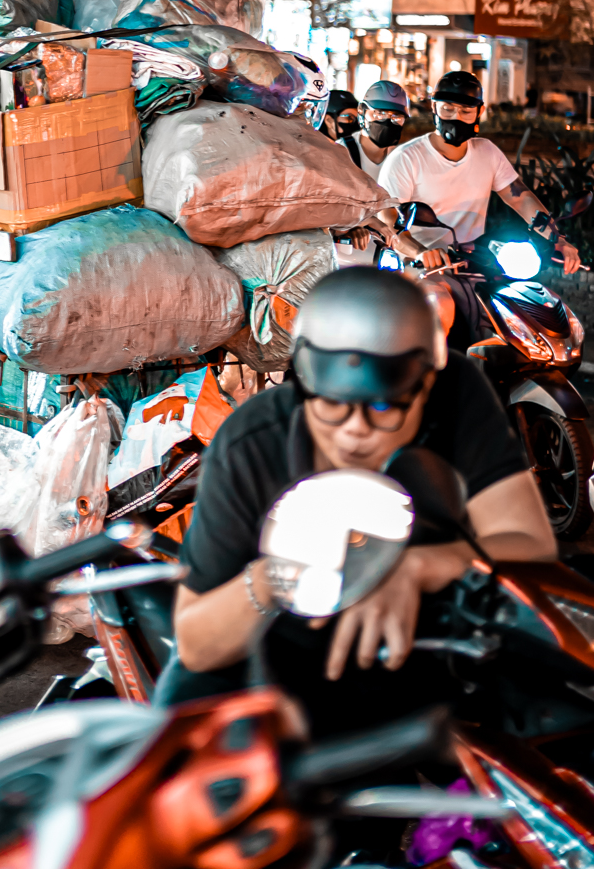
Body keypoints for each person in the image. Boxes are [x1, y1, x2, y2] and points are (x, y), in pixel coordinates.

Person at [165, 268, 556, 734]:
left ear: (424, 388)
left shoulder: (455, 393)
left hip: (428, 652)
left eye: (382, 408)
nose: (354, 431)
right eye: (332, 404)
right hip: (279, 671)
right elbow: (196, 643)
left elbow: (529, 543)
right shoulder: (251, 442)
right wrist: (274, 578)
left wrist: (414, 567)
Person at [380, 69, 582, 275]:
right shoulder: (406, 158)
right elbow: (388, 219)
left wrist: (557, 239)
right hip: (423, 270)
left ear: (480, 111)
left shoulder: (487, 152)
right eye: (447, 109)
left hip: (475, 265)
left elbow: (520, 197)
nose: (456, 117)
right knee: (442, 302)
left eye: (466, 112)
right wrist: (421, 252)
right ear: (434, 107)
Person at [343, 79, 409, 181]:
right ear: (361, 111)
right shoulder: (341, 153)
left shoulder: (402, 158)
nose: (387, 122)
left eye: (396, 117)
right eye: (380, 114)